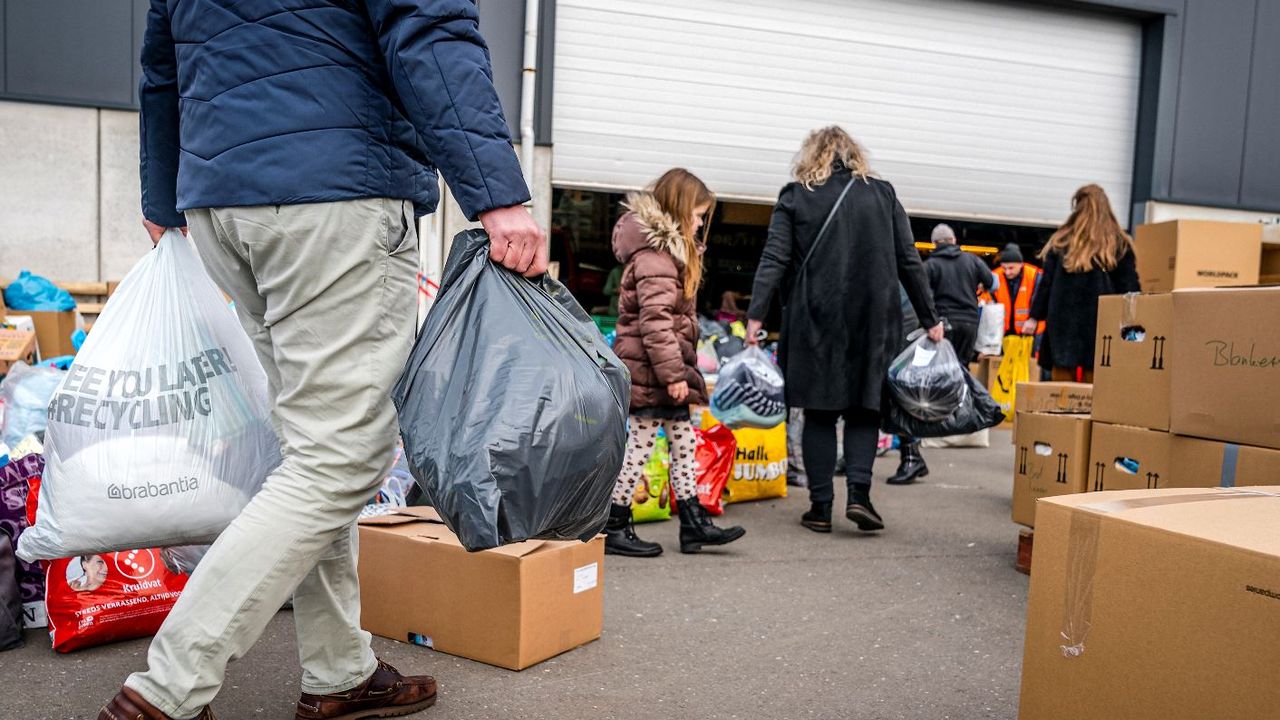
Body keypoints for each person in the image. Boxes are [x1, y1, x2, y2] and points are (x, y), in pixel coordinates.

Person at [107, 3, 545, 720]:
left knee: (310, 452)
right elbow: (427, 27)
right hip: (331, 191)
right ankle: (165, 691)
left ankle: (339, 669)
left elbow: (163, 66)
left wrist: (162, 193)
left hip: (222, 199)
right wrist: (496, 194)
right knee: (340, 458)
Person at [745, 126, 941, 534]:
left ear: (811, 155)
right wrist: (929, 319)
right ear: (854, 156)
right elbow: (909, 260)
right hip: (873, 321)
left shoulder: (795, 195)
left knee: (818, 412)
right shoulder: (882, 194)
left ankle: (819, 508)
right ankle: (859, 494)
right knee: (863, 408)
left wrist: (756, 316)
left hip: (814, 319)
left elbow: (775, 258)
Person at [605, 169, 745, 557]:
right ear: (681, 210)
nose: (701, 223)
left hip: (661, 371)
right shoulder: (656, 258)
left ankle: (693, 523)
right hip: (653, 373)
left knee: (683, 443)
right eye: (698, 215)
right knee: (640, 447)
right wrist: (673, 376)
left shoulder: (666, 255)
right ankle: (613, 524)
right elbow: (656, 324)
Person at [1025, 184, 1140, 382]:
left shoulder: (1061, 241)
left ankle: (1061, 410)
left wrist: (1034, 317)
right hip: (1101, 323)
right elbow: (1129, 288)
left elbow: (1047, 284)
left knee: (1061, 387)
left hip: (1062, 323)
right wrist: (1136, 323)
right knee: (1096, 382)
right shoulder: (1118, 243)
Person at [925, 223, 995, 364]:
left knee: (942, 367)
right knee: (962, 366)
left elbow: (922, 293)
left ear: (934, 244)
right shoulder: (972, 260)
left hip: (943, 324)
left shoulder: (930, 265)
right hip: (970, 323)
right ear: (954, 240)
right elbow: (991, 282)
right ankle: (962, 386)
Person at [992, 243, 1044, 337]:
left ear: (1020, 264)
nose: (1007, 272)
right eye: (1004, 268)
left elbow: (1042, 301)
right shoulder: (994, 277)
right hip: (1001, 333)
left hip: (1032, 332)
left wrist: (1033, 319)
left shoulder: (1035, 276)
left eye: (1011, 268)